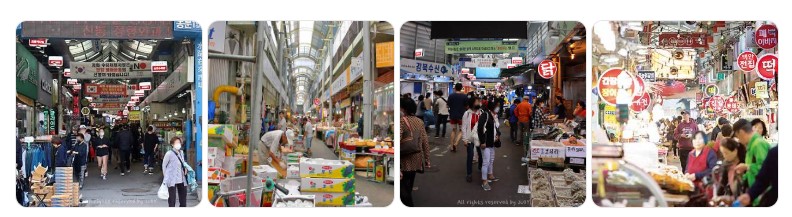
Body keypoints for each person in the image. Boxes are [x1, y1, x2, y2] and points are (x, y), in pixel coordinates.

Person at [399, 97, 430, 207]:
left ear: (403, 108)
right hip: (416, 159)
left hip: (404, 160)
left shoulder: (402, 121)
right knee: (409, 185)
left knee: (403, 189)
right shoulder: (419, 121)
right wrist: (427, 159)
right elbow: (425, 141)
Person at [732, 119, 770, 188]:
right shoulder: (751, 145)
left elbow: (765, 169)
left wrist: (746, 167)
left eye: (738, 136)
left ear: (741, 132)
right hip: (755, 189)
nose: (739, 140)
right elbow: (752, 170)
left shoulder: (758, 144)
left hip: (764, 191)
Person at [477, 101, 500, 191]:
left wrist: (497, 135)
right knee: (486, 162)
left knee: (491, 160)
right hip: (486, 143)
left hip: (491, 142)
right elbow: (480, 128)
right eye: (497, 107)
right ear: (492, 107)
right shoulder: (485, 115)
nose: (498, 108)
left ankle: (490, 175)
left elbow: (495, 128)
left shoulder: (494, 116)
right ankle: (484, 181)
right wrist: (482, 141)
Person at [461, 96, 482, 183]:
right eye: (477, 102)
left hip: (479, 138)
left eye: (479, 102)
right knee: (470, 155)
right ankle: (469, 174)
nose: (478, 103)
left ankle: (480, 168)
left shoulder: (481, 112)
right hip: (470, 138)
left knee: (481, 154)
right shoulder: (467, 114)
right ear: (472, 103)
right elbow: (464, 127)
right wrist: (465, 139)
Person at [162, 137, 188, 207]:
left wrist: (185, 168)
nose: (178, 144)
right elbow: (164, 165)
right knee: (172, 200)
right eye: (176, 143)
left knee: (183, 200)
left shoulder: (181, 152)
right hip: (171, 179)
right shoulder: (169, 153)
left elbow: (183, 162)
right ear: (172, 144)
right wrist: (165, 177)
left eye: (179, 142)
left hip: (181, 178)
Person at [447, 83, 468, 152]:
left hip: (453, 115)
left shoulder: (451, 96)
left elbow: (448, 105)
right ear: (461, 88)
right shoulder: (464, 96)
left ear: (455, 88)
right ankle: (456, 143)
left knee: (453, 130)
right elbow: (467, 106)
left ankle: (451, 146)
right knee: (461, 130)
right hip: (461, 116)